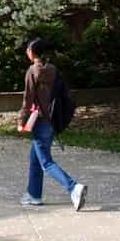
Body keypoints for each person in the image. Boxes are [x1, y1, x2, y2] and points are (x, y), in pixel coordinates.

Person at [17, 38, 88, 211]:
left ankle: (73, 188)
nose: (27, 51)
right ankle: (34, 195)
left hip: (39, 121)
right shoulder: (53, 70)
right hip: (50, 122)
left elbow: (28, 100)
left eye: (28, 49)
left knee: (46, 163)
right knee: (36, 159)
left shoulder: (32, 71)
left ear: (32, 52)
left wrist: (21, 121)